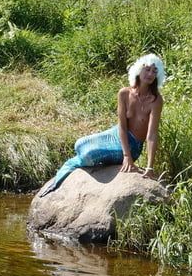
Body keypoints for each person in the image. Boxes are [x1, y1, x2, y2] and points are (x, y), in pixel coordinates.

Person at [39, 53, 165, 197]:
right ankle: (69, 169)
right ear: (138, 69)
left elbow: (152, 135)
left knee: (88, 155)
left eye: (154, 71)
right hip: (117, 133)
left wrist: (148, 166)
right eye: (147, 69)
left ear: (158, 76)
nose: (150, 74)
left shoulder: (156, 100)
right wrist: (125, 156)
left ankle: (59, 179)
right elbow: (122, 127)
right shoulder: (124, 93)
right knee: (80, 144)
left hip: (133, 144)